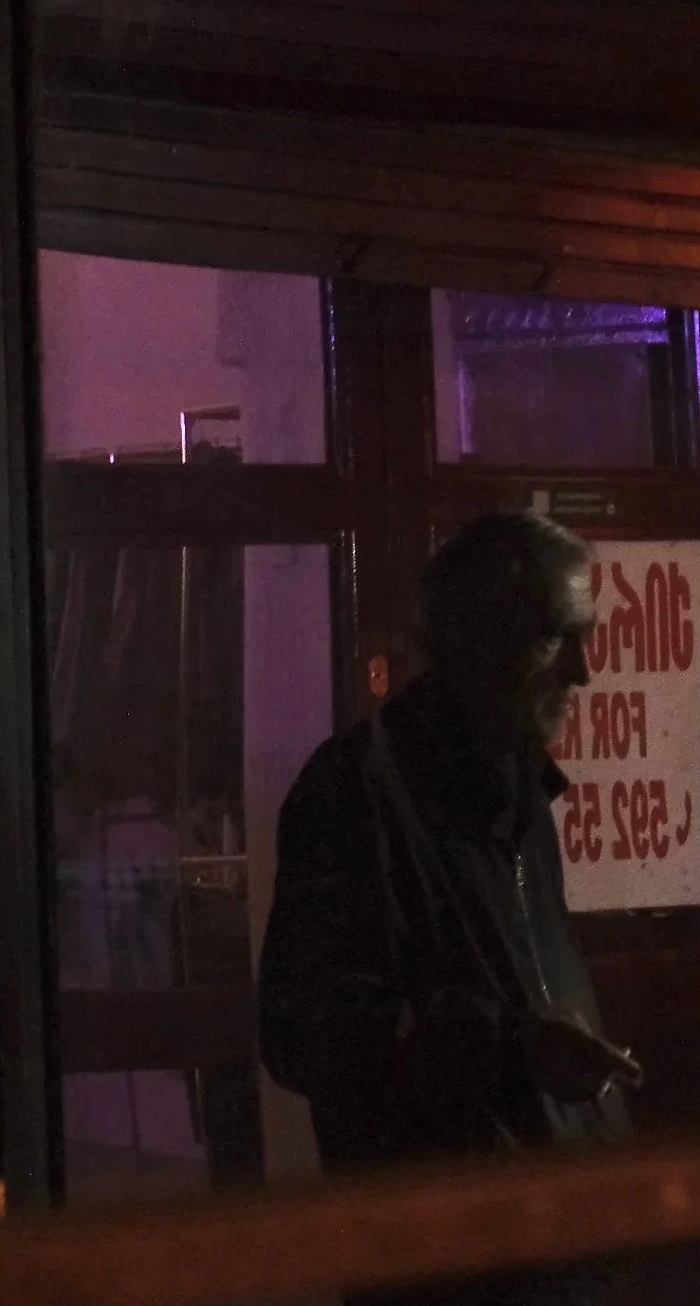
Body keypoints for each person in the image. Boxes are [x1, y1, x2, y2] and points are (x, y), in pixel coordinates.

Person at [260, 513, 642, 1306]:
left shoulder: (520, 791)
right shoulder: (357, 792)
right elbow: (306, 1031)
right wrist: (511, 1048)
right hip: (451, 1266)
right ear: (474, 640)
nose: (582, 671)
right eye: (555, 638)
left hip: (561, 1252)